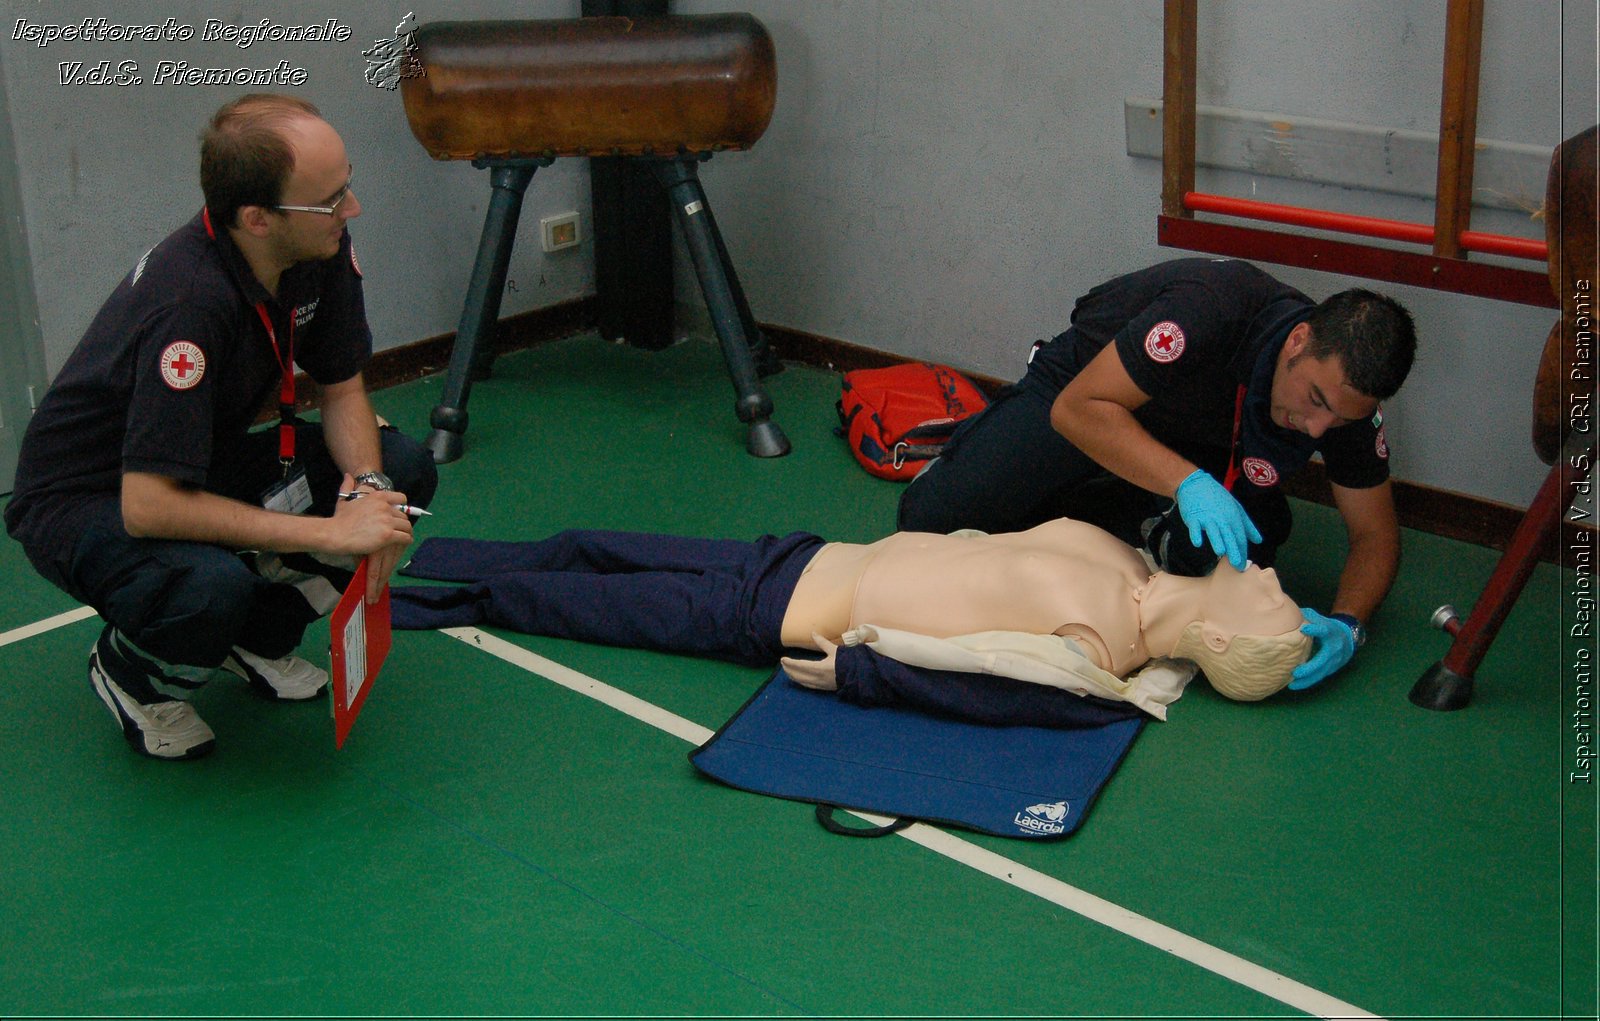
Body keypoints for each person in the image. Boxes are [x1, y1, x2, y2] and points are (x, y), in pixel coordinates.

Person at [4, 94, 437, 761]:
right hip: (90, 497)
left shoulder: (316, 243)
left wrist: (368, 489)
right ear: (257, 218)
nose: (350, 209)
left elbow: (342, 385)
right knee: (209, 586)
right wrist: (329, 532)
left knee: (402, 472)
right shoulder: (189, 304)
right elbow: (148, 507)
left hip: (196, 461)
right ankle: (133, 675)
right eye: (331, 200)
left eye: (346, 185)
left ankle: (253, 640)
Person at [895, 257, 1416, 695]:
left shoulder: (1346, 401)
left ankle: (1111, 505)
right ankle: (1009, 457)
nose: (1319, 426)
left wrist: (1350, 624)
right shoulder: (1209, 309)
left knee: (1245, 547)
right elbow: (1077, 410)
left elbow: (1375, 535)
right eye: (1315, 401)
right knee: (931, 520)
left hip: (1186, 441)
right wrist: (1188, 483)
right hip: (1086, 399)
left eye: (1339, 420)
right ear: (1298, 341)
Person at [387, 518, 1313, 724]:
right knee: (585, 544)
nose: (1273, 575)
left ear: (1224, 640)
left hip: (765, 612)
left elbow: (985, 688)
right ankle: (432, 549)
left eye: (1277, 603)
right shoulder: (1130, 564)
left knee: (544, 602)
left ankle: (411, 599)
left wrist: (866, 674)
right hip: (795, 554)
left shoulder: (1094, 655)